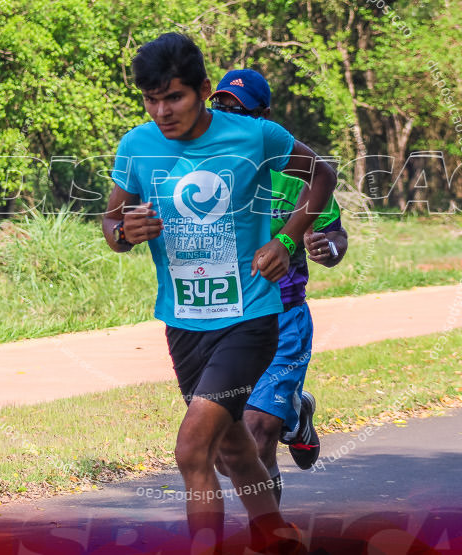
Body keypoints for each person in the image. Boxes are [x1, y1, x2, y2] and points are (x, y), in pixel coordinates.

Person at [103, 33, 337, 553]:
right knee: (232, 447)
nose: (162, 111)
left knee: (192, 449)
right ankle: (278, 537)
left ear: (204, 90)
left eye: (175, 97)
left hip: (249, 316)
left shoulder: (255, 136)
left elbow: (321, 173)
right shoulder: (137, 145)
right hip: (183, 322)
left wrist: (286, 238)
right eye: (151, 99)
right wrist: (125, 233)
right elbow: (112, 222)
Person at [209, 70, 348, 504]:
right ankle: (296, 410)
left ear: (264, 118)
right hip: (221, 321)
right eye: (220, 109)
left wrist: (328, 248)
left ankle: (267, 537)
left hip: (282, 317)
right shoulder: (205, 170)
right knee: (224, 454)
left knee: (257, 431)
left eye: (240, 112)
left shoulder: (297, 174)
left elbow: (337, 234)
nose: (228, 119)